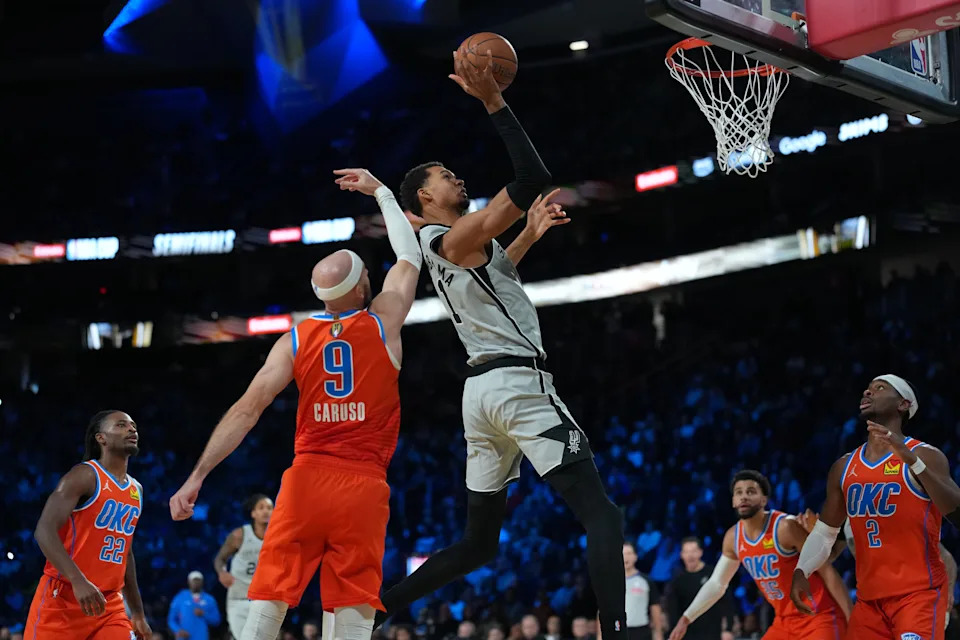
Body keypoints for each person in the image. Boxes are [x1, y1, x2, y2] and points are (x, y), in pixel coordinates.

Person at [376, 49, 627, 640]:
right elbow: (532, 178)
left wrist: (529, 235)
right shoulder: (453, 235)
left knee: (478, 543)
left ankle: (380, 609)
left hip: (480, 395)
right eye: (444, 176)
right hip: (517, 386)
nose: (456, 177)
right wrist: (493, 101)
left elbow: (492, 282)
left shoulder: (451, 248)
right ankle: (619, 631)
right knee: (603, 516)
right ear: (423, 203)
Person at [169, 168, 422, 640]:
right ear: (363, 288)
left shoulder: (295, 339)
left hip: (305, 479)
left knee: (268, 602)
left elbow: (247, 409)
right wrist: (383, 193)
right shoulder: (384, 321)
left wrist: (197, 475)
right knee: (351, 605)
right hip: (362, 483)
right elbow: (409, 255)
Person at [790, 374, 960, 639]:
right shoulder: (844, 467)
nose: (867, 393)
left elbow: (957, 514)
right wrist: (802, 569)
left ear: (903, 404)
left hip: (918, 595)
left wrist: (913, 462)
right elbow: (826, 532)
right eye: (867, 389)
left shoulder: (926, 454)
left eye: (879, 388)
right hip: (869, 601)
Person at [668, 471, 850, 640]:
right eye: (738, 492)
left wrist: (854, 619)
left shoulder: (785, 527)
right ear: (733, 501)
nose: (744, 496)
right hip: (784, 621)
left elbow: (828, 572)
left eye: (750, 491)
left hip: (819, 616)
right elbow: (717, 584)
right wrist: (686, 618)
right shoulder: (733, 538)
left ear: (763, 500)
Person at [24, 410, 151, 640]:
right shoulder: (84, 475)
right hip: (63, 598)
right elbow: (44, 531)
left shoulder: (137, 490)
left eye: (133, 425)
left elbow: (126, 553)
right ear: (100, 438)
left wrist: (138, 613)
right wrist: (77, 580)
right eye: (121, 425)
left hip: (109, 605)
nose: (132, 429)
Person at [214, 493, 274, 639]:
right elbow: (220, 558)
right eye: (261, 508)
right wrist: (222, 572)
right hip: (239, 598)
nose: (266, 511)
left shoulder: (278, 536)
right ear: (253, 513)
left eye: (269, 508)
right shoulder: (239, 535)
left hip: (265, 599)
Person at [665, 538, 734, 640]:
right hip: (688, 634)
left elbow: (727, 602)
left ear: (700, 552)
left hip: (713, 632)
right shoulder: (677, 580)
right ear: (681, 554)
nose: (690, 555)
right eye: (686, 552)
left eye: (693, 551)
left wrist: (728, 629)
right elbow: (673, 610)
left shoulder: (713, 575)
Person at [622, 542, 664, 640]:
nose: (625, 557)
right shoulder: (609, 583)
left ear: (635, 556)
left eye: (629, 553)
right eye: (622, 554)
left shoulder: (646, 581)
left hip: (641, 632)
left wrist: (658, 634)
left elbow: (655, 608)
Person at [168, 572, 221, 640]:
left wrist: (204, 614)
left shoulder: (209, 599)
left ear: (202, 582)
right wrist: (178, 630)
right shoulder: (180, 597)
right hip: (184, 638)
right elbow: (171, 619)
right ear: (189, 582)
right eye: (193, 581)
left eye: (198, 581)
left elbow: (217, 620)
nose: (196, 583)